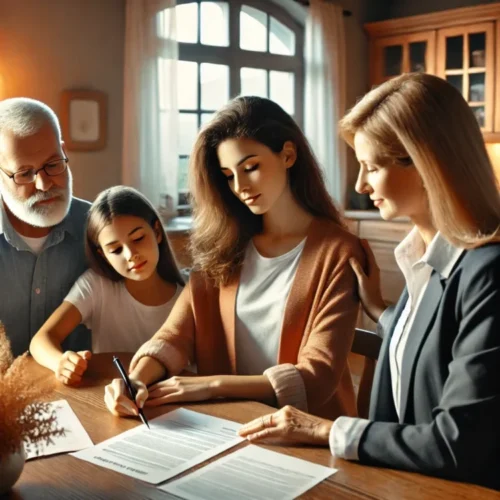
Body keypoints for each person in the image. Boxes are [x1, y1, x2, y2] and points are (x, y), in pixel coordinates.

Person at [238, 73, 500, 490]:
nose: (360, 185)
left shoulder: (487, 273)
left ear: (427, 162)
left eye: (371, 166)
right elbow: (433, 342)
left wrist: (325, 430)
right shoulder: (426, 263)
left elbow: (459, 443)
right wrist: (380, 310)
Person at [104, 96, 365, 420]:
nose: (240, 186)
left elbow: (317, 376)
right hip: (226, 427)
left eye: (251, 168)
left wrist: (212, 386)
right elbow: (175, 335)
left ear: (288, 155)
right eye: (228, 175)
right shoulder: (224, 245)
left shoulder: (340, 252)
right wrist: (137, 379)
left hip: (307, 436)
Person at [30, 186, 185, 385]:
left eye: (138, 238)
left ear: (156, 232)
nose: (130, 255)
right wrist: (60, 362)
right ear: (103, 255)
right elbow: (41, 339)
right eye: (116, 249)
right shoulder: (97, 286)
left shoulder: (189, 292)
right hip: (112, 398)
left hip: (175, 400)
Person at [0, 97, 90, 357]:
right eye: (24, 173)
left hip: (87, 393)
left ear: (64, 152)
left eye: (53, 165)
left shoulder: (101, 229)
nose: (44, 184)